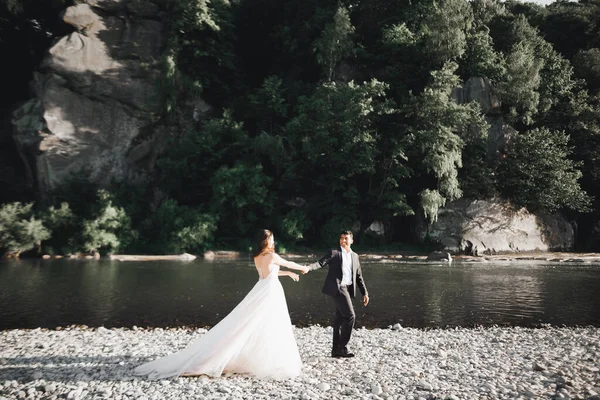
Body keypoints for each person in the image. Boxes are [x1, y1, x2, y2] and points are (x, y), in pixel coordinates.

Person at [134, 229, 309, 379]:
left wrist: (288, 274)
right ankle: (267, 358)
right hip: (271, 292)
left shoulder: (257, 257)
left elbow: (269, 273)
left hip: (262, 288)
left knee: (251, 322)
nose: (273, 240)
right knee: (268, 323)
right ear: (266, 241)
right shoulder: (272, 255)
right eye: (271, 238)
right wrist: (303, 268)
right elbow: (288, 263)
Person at [307, 230, 369, 358]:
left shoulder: (355, 256)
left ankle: (335, 350)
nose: (343, 240)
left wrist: (365, 293)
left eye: (346, 238)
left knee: (340, 319)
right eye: (341, 238)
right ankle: (343, 347)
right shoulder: (334, 252)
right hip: (337, 287)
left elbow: (358, 276)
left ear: (352, 241)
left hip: (347, 288)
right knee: (351, 316)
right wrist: (308, 268)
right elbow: (320, 263)